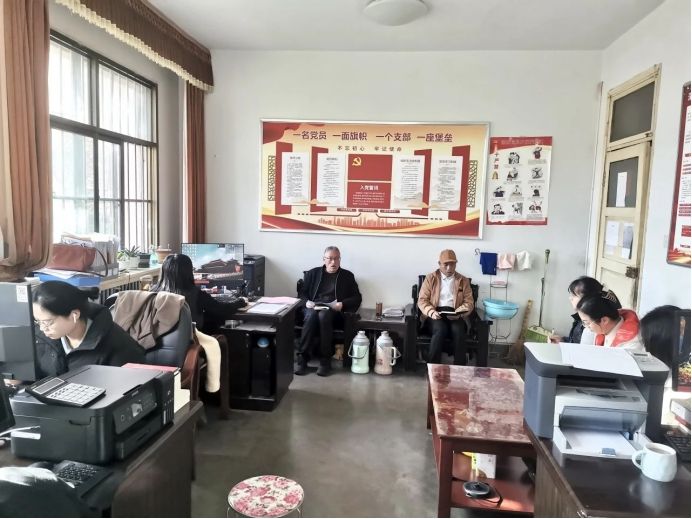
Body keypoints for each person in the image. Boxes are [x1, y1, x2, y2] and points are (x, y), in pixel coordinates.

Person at [32, 281, 145, 378]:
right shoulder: (42, 336)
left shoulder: (119, 346)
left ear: (74, 315)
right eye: (38, 321)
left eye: (47, 322)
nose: (42, 328)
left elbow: (129, 389)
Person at [295, 246, 361, 377]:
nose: (333, 262)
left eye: (336, 259)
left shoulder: (347, 276)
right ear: (324, 259)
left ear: (340, 259)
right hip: (313, 308)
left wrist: (342, 304)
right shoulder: (312, 273)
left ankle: (325, 362)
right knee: (312, 315)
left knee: (324, 315)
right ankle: (303, 360)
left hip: (333, 311)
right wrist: (306, 302)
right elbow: (302, 293)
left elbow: (357, 297)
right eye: (330, 259)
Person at [150, 253, 246, 333]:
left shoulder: (151, 293)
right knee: (215, 318)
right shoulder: (196, 294)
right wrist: (240, 302)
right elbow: (222, 309)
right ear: (188, 272)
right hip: (191, 341)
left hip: (158, 344)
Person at [417, 249, 474, 365]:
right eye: (446, 264)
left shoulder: (463, 280)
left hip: (455, 314)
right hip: (435, 313)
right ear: (439, 264)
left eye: (452, 264)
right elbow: (422, 300)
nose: (449, 268)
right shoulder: (430, 278)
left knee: (459, 330)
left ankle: (459, 367)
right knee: (440, 329)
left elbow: (469, 302)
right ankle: (433, 367)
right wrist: (431, 312)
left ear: (456, 264)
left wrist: (460, 313)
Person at [549, 276, 621, 344]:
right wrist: (563, 340)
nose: (570, 298)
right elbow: (576, 341)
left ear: (589, 300)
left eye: (574, 295)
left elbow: (582, 349)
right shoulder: (583, 317)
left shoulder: (594, 327)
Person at [575, 294, 644, 351]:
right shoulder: (605, 328)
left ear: (604, 320)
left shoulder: (630, 345)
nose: (586, 327)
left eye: (587, 323)